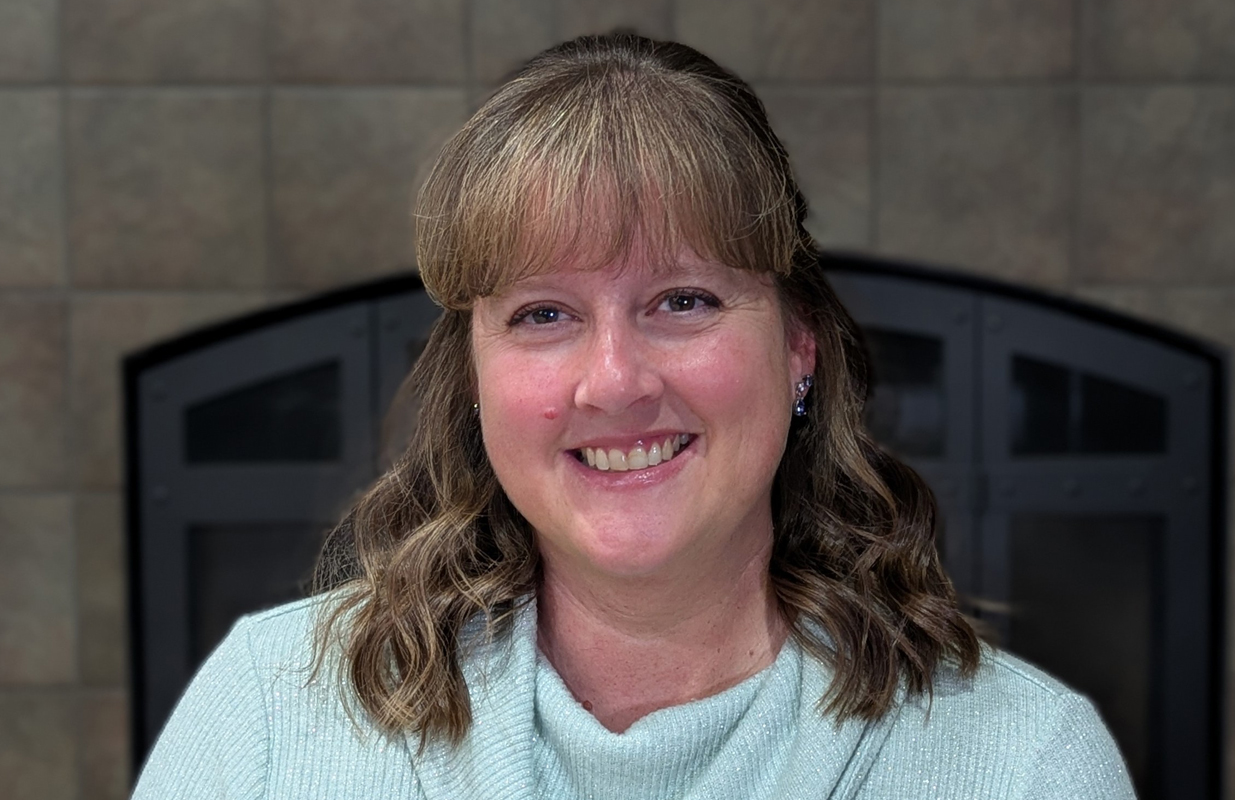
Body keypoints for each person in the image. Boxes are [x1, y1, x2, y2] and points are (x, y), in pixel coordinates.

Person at [132, 34, 1135, 799]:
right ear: (474, 381)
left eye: (683, 300)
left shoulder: (1023, 760)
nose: (613, 380)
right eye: (543, 313)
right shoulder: (266, 710)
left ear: (797, 346)